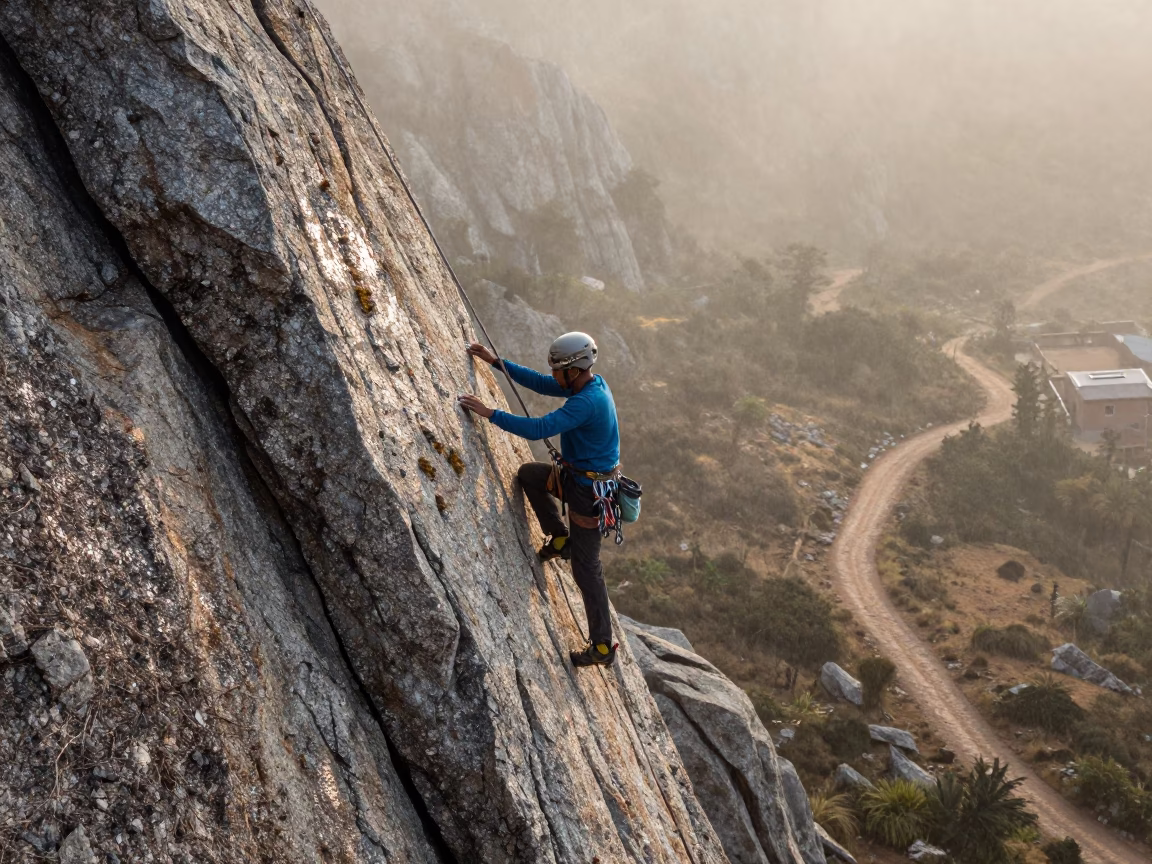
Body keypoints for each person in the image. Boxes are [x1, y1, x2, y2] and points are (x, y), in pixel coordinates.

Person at [457, 332, 620, 668]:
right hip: (577, 479)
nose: (554, 374)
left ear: (572, 371)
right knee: (531, 475)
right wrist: (496, 363)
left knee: (587, 569)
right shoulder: (587, 384)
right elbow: (543, 384)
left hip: (589, 494)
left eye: (558, 369)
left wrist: (491, 413)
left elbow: (538, 428)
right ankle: (560, 538)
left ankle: (602, 647)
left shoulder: (586, 402)